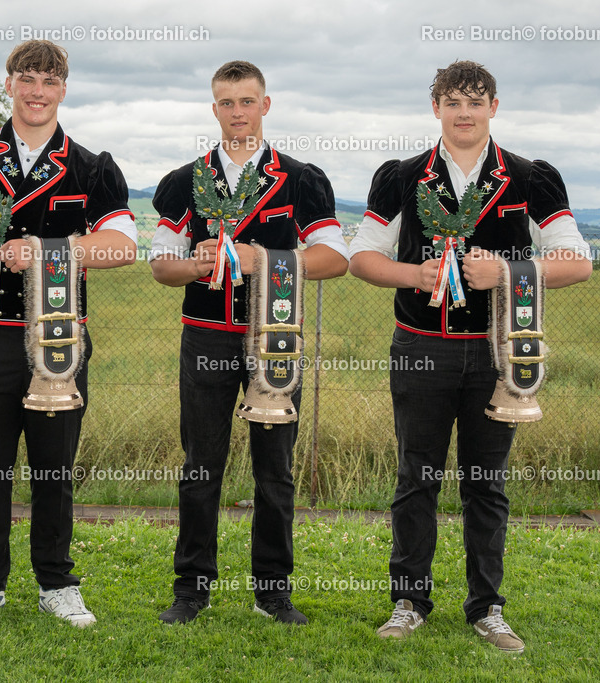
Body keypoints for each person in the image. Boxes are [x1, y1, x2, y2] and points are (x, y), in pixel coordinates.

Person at [349, 60, 591, 652]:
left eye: (475, 102)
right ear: (435, 108)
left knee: (487, 484)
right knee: (417, 478)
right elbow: (361, 256)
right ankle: (409, 600)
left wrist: (506, 271)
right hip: (421, 347)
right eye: (453, 101)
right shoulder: (402, 175)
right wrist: (414, 272)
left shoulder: (532, 177)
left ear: (494, 108)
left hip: (497, 356)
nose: (464, 113)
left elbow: (577, 261)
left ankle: (487, 608)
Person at [0, 40, 137, 630]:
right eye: (27, 79)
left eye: (50, 81)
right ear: (9, 83)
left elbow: (122, 246)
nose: (38, 91)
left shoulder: (92, 167)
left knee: (53, 467)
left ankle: (56, 583)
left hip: (58, 337)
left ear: (64, 89)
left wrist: (46, 250)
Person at [150, 60, 348, 625]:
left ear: (266, 104)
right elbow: (162, 268)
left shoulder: (302, 178)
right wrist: (195, 264)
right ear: (214, 108)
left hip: (276, 338)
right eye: (226, 103)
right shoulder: (182, 180)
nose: (237, 113)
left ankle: (272, 590)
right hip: (206, 335)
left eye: (247, 101)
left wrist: (267, 260)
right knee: (200, 465)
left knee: (275, 469)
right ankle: (191, 587)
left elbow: (334, 258)